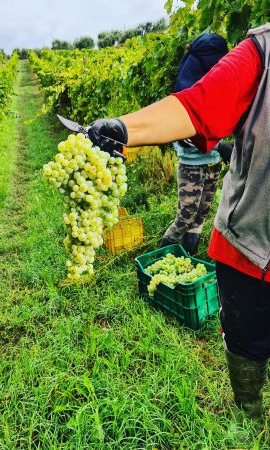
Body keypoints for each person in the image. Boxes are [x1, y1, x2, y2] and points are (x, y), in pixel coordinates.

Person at [87, 23, 270, 421]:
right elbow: (197, 106)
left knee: (196, 216)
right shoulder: (262, 52)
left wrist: (221, 147)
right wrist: (124, 129)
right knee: (187, 217)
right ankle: (248, 412)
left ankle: (179, 248)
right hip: (254, 244)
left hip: (220, 184)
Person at [158, 33, 233, 255]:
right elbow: (184, 130)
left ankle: (187, 257)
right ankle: (160, 259)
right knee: (186, 215)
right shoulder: (188, 86)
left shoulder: (213, 83)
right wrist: (220, 146)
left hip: (212, 163)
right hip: (192, 163)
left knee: (201, 213)